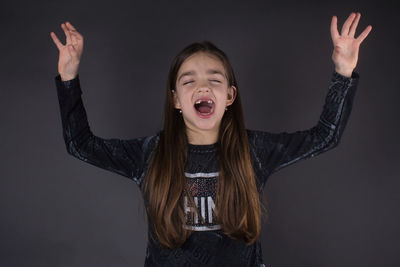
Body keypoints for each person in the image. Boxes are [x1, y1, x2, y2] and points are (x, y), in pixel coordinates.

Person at [50, 12, 372, 267]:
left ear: (230, 95)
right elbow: (81, 144)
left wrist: (343, 72)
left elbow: (325, 136)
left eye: (214, 79)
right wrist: (69, 78)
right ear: (176, 99)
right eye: (189, 81)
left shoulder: (253, 151)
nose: (203, 87)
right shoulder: (151, 154)